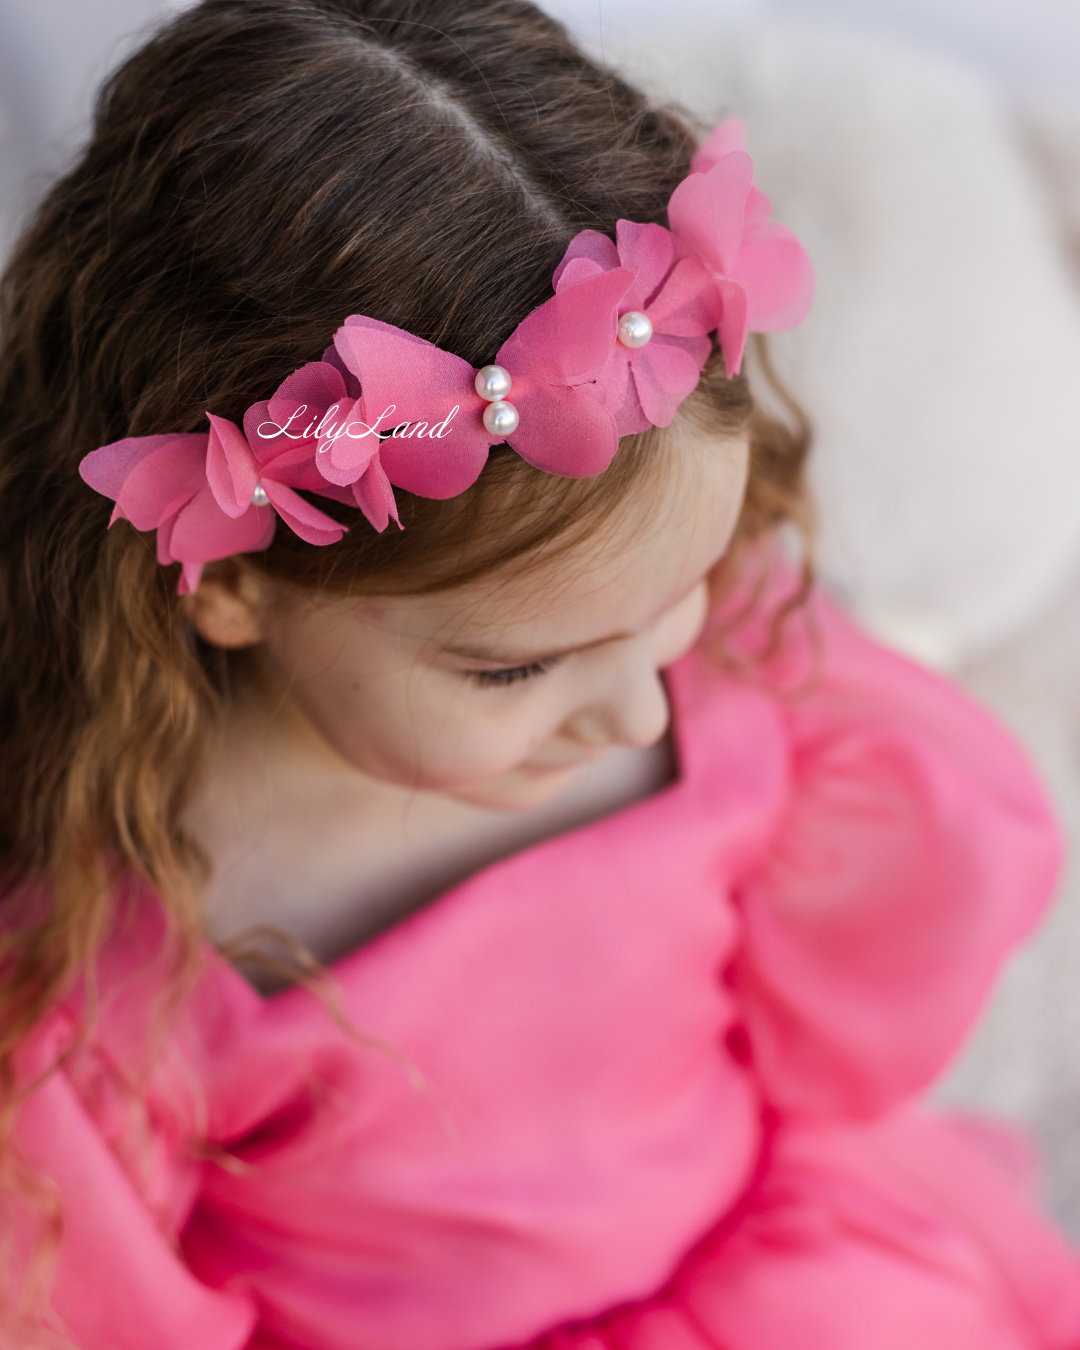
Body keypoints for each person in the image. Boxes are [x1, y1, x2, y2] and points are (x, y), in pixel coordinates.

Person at [1, 1, 1078, 1346]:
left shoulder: (737, 665)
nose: (641, 711)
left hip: (779, 1273)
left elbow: (881, 970)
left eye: (676, 602)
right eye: (514, 672)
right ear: (231, 580)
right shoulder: (122, 931)